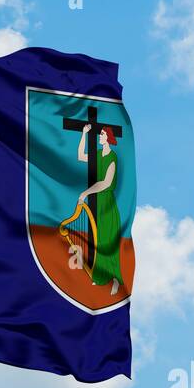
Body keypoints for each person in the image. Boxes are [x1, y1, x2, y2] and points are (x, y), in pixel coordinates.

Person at [77, 123, 123, 295]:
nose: (100, 136)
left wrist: (86, 192)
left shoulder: (113, 157)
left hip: (108, 204)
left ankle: (116, 280)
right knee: (98, 240)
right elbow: (81, 156)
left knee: (108, 241)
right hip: (97, 203)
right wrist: (83, 134)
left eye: (102, 134)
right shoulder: (97, 155)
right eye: (100, 134)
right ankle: (101, 277)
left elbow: (106, 183)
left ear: (109, 137)